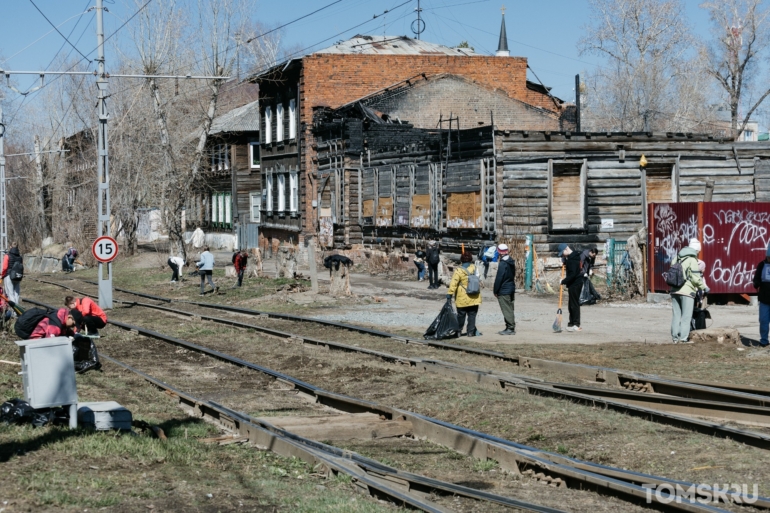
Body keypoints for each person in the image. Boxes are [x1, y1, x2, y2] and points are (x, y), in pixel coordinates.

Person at [670, 238, 707, 344]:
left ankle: (675, 338)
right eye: (698, 251)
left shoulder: (676, 258)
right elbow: (696, 278)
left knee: (676, 315)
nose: (698, 253)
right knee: (686, 316)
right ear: (696, 250)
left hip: (674, 290)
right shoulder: (692, 260)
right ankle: (683, 338)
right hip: (687, 291)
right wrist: (703, 287)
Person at [446, 251, 482, 337]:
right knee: (472, 315)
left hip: (462, 296)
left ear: (461, 260)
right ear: (471, 259)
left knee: (461, 315)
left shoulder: (459, 270)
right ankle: (470, 332)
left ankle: (458, 331)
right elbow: (479, 278)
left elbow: (454, 283)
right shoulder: (475, 268)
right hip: (474, 295)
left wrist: (449, 294)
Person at [559, 243, 584, 332]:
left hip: (575, 283)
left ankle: (576, 324)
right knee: (571, 305)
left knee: (574, 304)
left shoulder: (572, 259)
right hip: (575, 283)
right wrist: (565, 261)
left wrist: (563, 281)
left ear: (566, 249)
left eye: (562, 253)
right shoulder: (573, 257)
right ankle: (571, 323)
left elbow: (573, 274)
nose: (562, 255)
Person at [493, 243, 516, 335]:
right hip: (511, 287)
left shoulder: (503, 263)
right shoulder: (511, 261)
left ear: (499, 252)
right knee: (510, 308)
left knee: (506, 309)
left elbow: (499, 278)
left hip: (504, 289)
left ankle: (510, 328)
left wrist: (495, 290)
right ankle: (509, 327)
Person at [752, 244, 770, 347]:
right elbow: (756, 278)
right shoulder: (762, 265)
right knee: (763, 321)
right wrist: (756, 283)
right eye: (769, 257)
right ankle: (764, 341)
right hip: (764, 299)